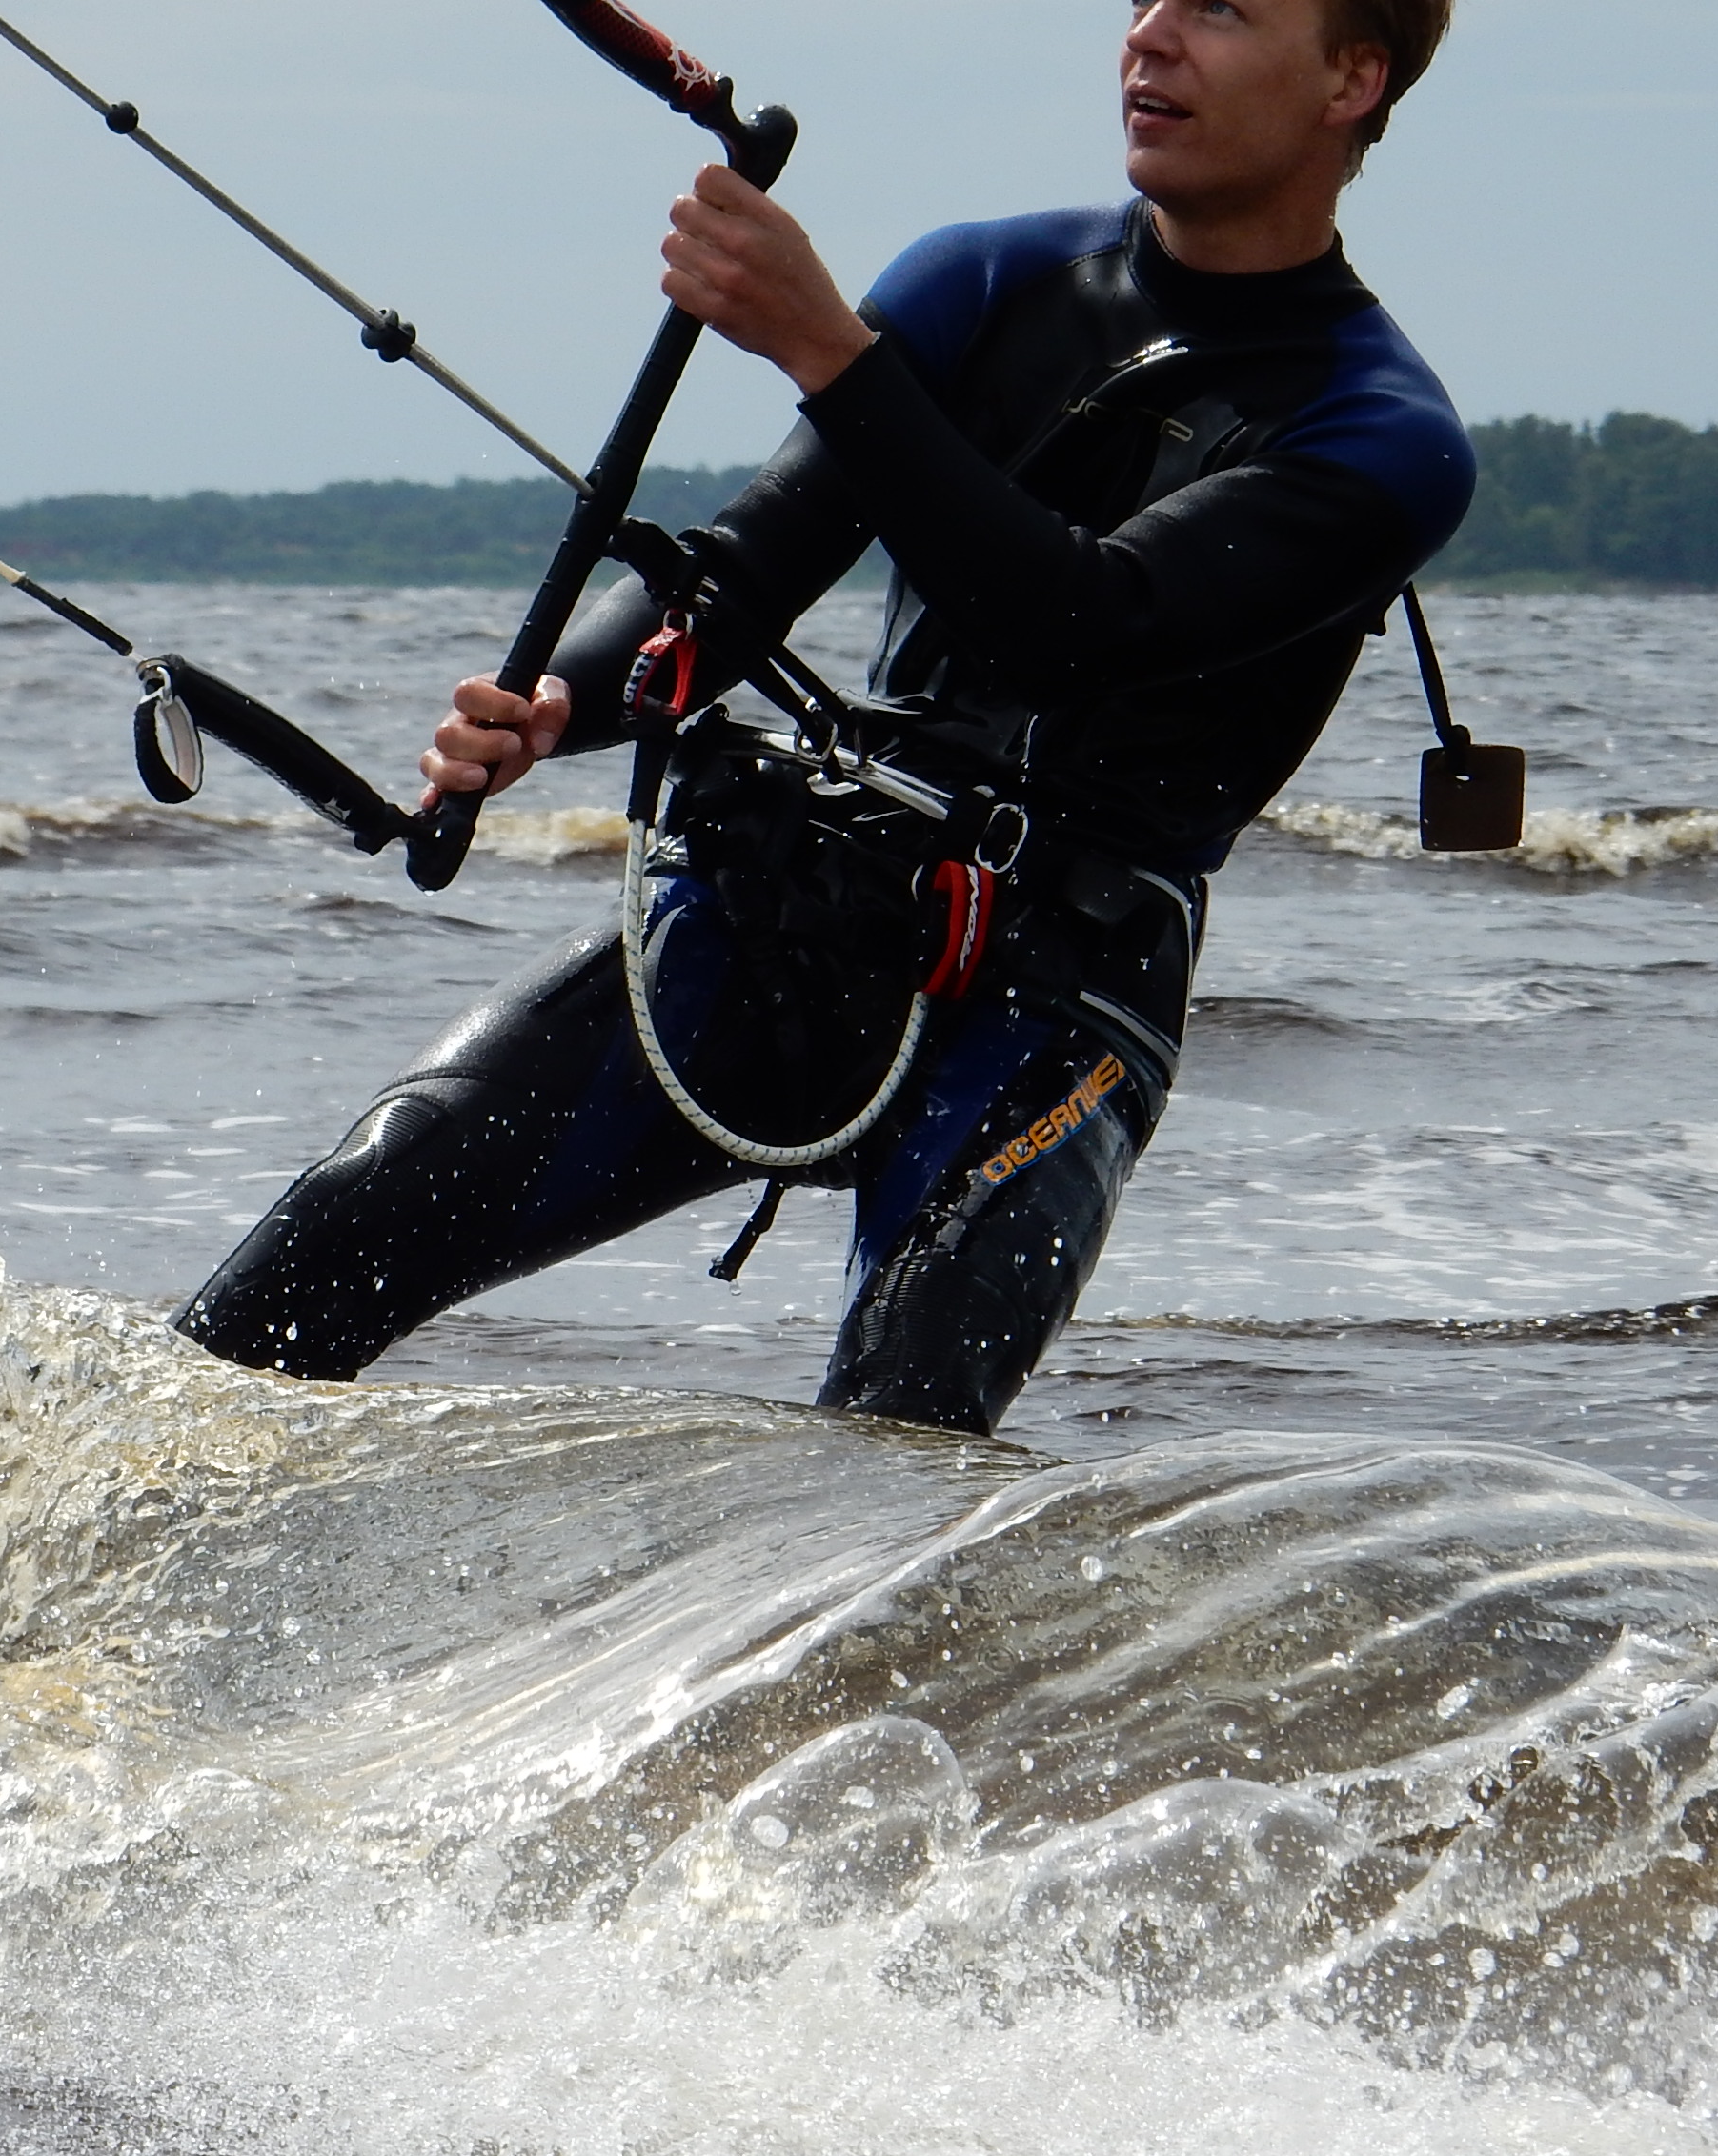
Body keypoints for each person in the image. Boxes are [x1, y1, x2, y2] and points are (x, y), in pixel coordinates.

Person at [176, 0, 1472, 1433]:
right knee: (314, 1260)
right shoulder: (990, 277)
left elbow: (1077, 624)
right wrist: (565, 698)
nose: (1150, 36)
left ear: (1354, 77)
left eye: (1220, 7)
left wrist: (827, 350)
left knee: (900, 1429)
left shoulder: (1385, 435)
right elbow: (750, 566)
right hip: (802, 899)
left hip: (1059, 998)